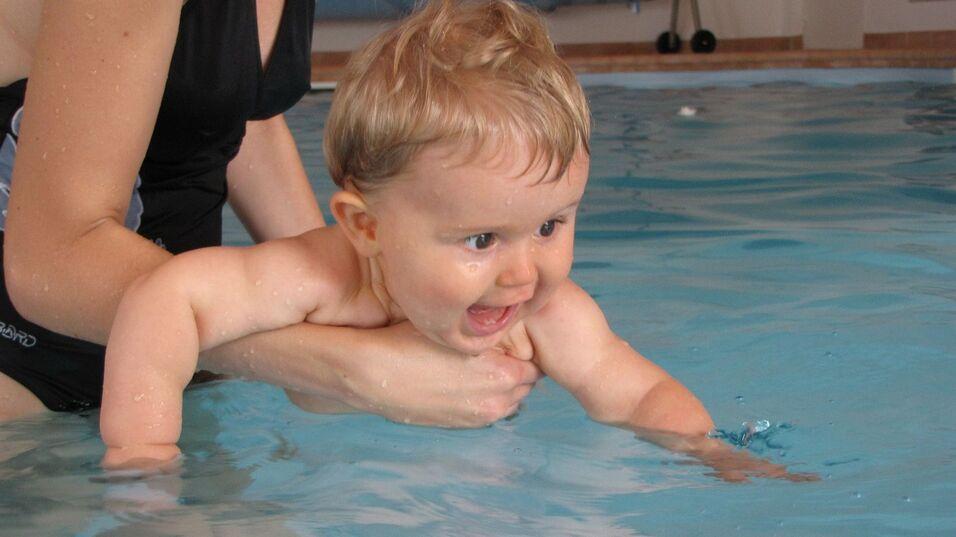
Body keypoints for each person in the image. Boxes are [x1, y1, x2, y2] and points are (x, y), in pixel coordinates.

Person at [100, 0, 816, 483]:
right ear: (366, 227)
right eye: (481, 238)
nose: (522, 272)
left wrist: (713, 452)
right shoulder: (318, 279)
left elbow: (638, 391)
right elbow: (165, 300)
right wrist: (146, 464)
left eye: (550, 225)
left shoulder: (545, 315)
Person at [0, 1, 539, 424]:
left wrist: (351, 292)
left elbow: (231, 110)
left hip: (182, 364)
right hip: (20, 373)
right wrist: (345, 366)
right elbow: (50, 262)